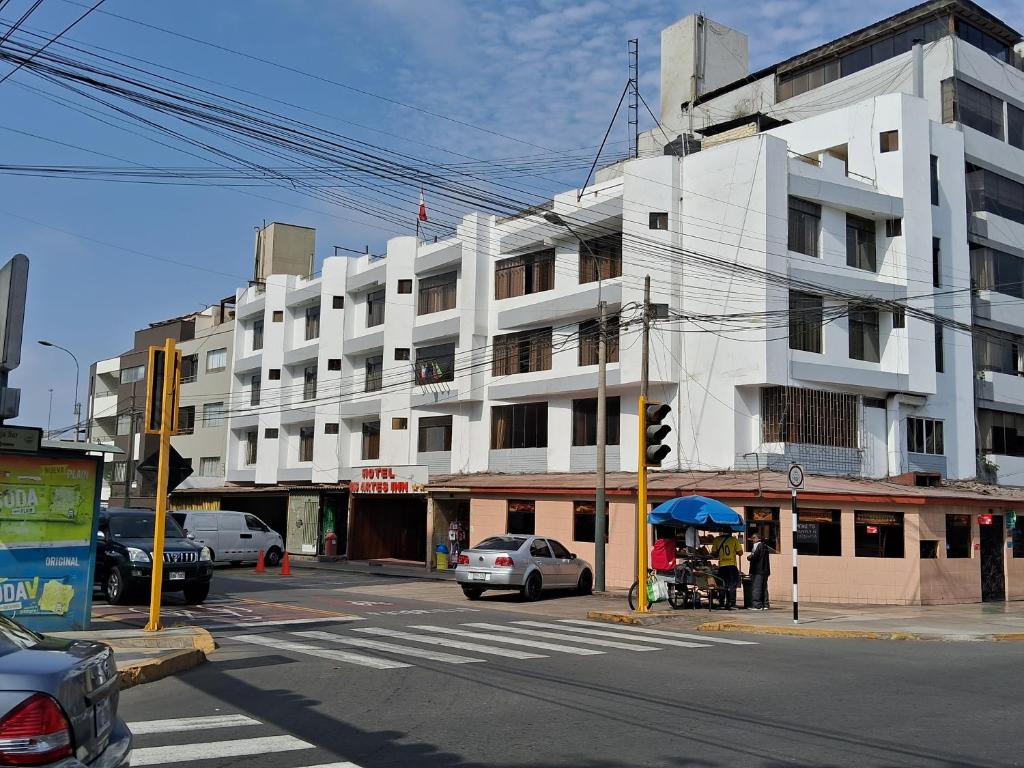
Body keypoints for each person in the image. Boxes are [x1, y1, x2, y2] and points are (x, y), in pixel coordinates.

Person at [712, 531, 743, 610]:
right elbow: (740, 552)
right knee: (732, 585)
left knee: (722, 585)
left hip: (722, 566)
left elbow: (713, 552)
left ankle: (722, 603)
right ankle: (731, 604)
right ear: (731, 533)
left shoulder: (717, 540)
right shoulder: (734, 540)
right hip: (732, 566)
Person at [746, 533, 771, 610]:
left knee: (756, 588)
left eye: (753, 539)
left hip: (757, 570)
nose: (752, 541)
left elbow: (755, 556)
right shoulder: (765, 546)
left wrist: (749, 557)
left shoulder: (757, 545)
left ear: (757, 539)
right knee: (764, 588)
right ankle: (765, 604)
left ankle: (757, 605)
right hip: (765, 570)